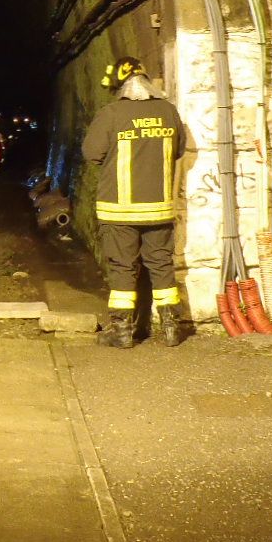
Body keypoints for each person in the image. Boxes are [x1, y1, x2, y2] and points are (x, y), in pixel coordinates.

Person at [83, 66, 187, 348]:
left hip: (120, 209)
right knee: (161, 264)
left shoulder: (112, 114)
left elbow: (92, 153)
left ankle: (121, 330)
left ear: (120, 87)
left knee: (122, 268)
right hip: (159, 208)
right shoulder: (168, 111)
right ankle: (170, 327)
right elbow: (179, 150)